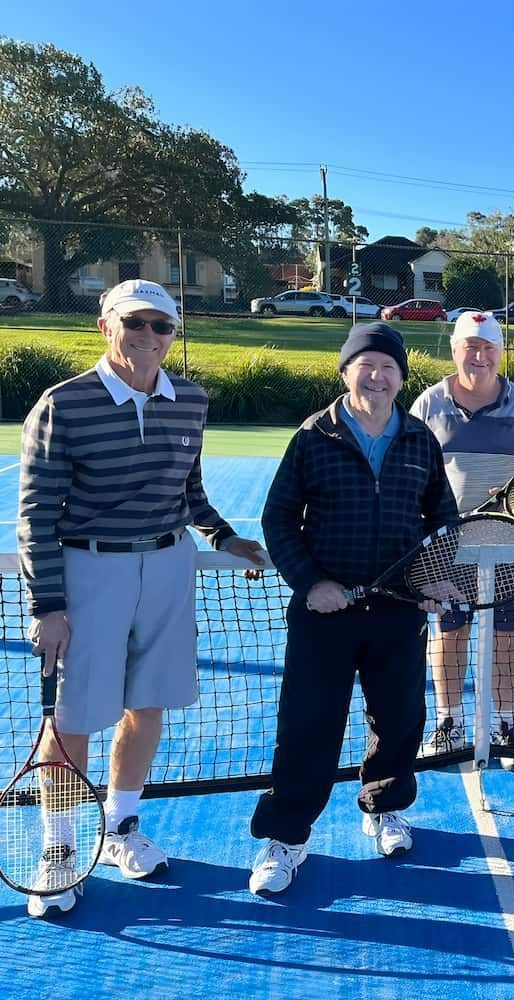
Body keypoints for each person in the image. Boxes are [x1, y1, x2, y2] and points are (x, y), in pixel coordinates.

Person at [18, 279, 263, 918]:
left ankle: (122, 825)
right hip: (88, 572)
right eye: (137, 323)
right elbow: (37, 513)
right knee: (72, 720)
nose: (150, 336)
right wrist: (48, 605)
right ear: (106, 326)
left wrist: (225, 536)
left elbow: (193, 492)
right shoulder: (61, 405)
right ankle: (60, 848)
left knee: (147, 702)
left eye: (163, 326)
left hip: (169, 566)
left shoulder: (192, 401)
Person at [248, 322, 458, 896]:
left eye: (389, 366)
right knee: (307, 727)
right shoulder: (313, 436)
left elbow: (443, 519)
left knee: (398, 720)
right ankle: (287, 837)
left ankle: (385, 807)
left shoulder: (419, 440)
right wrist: (311, 582)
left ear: (400, 378)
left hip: (398, 610)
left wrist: (433, 578)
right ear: (345, 371)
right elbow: (278, 519)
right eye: (365, 363)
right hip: (324, 612)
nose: (378, 373)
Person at [409, 311, 514, 770]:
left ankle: (506, 726)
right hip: (445, 547)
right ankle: (447, 724)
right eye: (470, 346)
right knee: (450, 636)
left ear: (500, 353)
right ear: (454, 351)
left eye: (489, 347)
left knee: (506, 637)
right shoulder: (428, 405)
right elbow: (409, 470)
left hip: (509, 545)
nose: (480, 355)